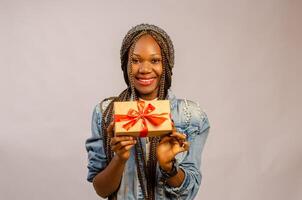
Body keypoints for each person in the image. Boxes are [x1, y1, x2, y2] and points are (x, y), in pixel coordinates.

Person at [85, 23, 210, 200]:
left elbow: (189, 193)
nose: (144, 69)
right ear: (125, 65)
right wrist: (119, 158)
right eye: (135, 60)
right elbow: (102, 190)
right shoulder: (105, 113)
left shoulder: (192, 115)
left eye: (155, 60)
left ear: (166, 64)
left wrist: (169, 166)